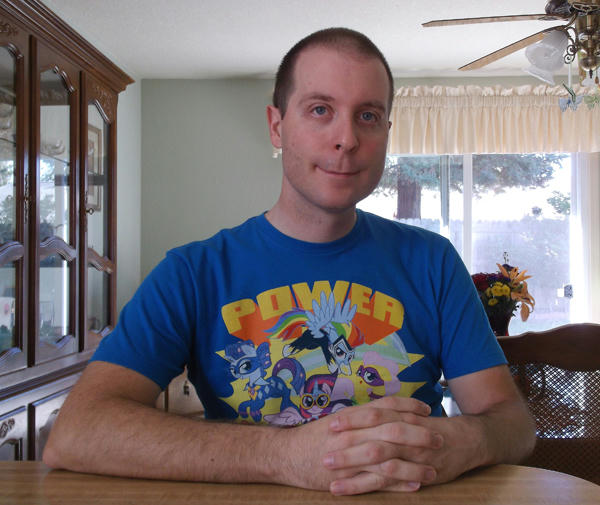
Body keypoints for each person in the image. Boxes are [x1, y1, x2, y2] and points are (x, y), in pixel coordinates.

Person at [43, 27, 535, 496]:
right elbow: (78, 432)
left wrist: (466, 440)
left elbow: (512, 424)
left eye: (368, 116)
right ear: (277, 127)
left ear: (387, 132)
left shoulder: (433, 261)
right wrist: (285, 456)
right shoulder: (191, 273)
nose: (346, 139)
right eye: (320, 109)